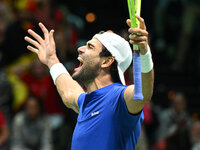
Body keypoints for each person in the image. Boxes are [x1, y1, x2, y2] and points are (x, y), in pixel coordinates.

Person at [24, 15, 154, 150]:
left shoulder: (119, 98)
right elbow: (68, 92)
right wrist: (51, 59)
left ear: (106, 61)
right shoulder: (85, 102)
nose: (80, 48)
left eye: (90, 47)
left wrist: (144, 52)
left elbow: (143, 93)